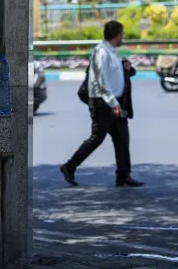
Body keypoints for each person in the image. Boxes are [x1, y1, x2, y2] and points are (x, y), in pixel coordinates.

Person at [61, 21, 144, 188]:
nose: (123, 37)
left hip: (115, 102)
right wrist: (113, 103)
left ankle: (123, 175)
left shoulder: (111, 52)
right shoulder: (101, 52)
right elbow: (101, 81)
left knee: (122, 138)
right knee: (96, 139)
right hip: (103, 103)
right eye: (122, 34)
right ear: (117, 35)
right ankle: (69, 166)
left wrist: (124, 67)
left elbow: (112, 74)